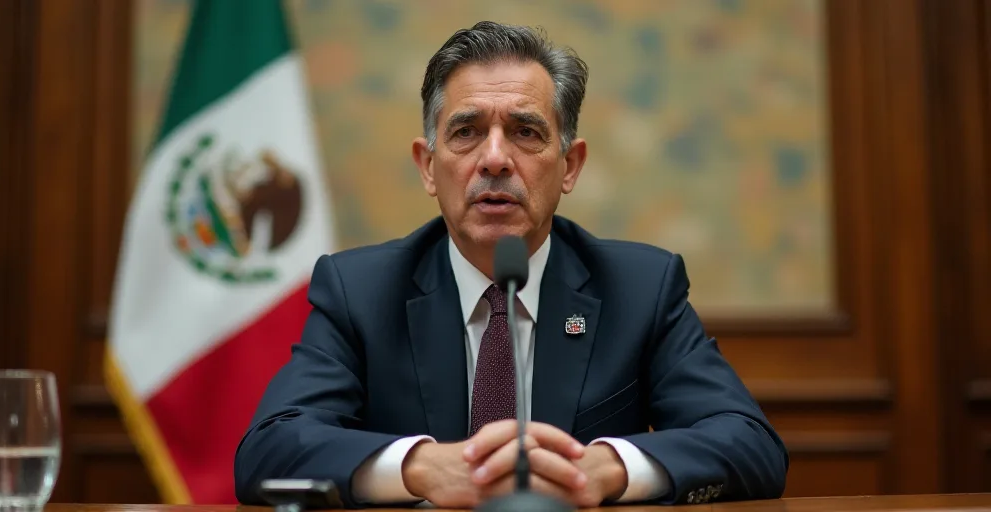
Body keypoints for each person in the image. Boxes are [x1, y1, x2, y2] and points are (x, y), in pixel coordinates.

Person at [234, 21, 788, 508]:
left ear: (569, 166)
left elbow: (749, 443)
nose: (495, 159)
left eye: (525, 132)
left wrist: (607, 468)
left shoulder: (640, 288)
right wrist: (421, 468)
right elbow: (269, 448)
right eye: (467, 131)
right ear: (428, 167)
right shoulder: (360, 290)